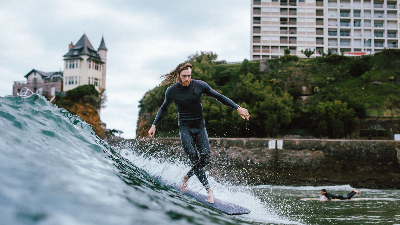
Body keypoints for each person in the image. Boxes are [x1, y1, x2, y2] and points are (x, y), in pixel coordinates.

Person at [148, 62, 250, 204]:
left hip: (199, 126)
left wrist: (237, 107)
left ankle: (186, 177)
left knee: (205, 158)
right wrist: (154, 125)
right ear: (178, 75)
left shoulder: (199, 85)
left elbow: (219, 96)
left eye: (189, 75)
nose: (187, 79)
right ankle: (209, 191)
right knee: (194, 157)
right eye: (184, 76)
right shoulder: (172, 91)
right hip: (185, 127)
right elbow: (164, 108)